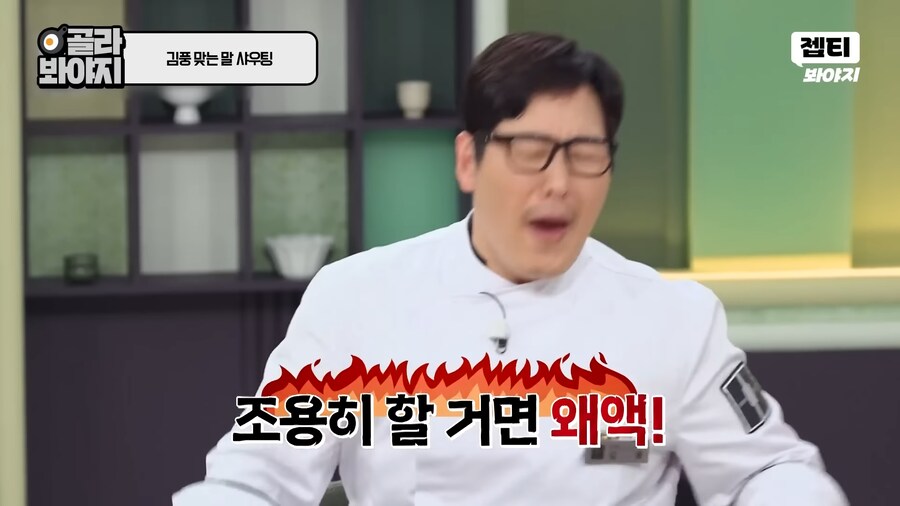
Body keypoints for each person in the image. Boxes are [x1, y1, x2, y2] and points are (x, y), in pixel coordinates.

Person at [173, 32, 848, 506]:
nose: (559, 183)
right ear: (469, 160)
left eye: (586, 153)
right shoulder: (355, 301)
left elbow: (766, 467)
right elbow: (255, 475)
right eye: (531, 150)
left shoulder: (675, 320)